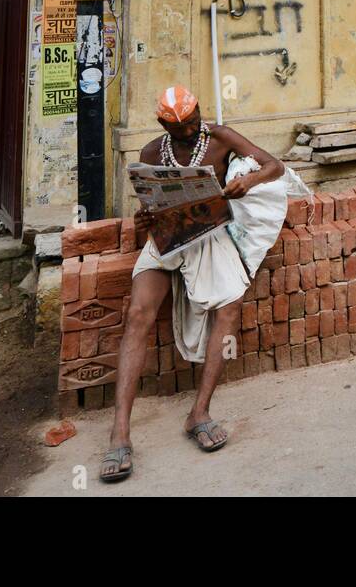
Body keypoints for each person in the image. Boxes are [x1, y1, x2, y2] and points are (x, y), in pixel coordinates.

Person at [101, 85, 303, 481]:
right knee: (139, 313)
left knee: (229, 309)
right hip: (167, 236)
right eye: (181, 128)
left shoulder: (220, 137)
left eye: (194, 123)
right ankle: (120, 433)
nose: (191, 132)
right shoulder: (148, 153)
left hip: (211, 235)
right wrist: (142, 222)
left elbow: (275, 166)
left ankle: (200, 413)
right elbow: (147, 208)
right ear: (164, 125)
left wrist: (251, 181)